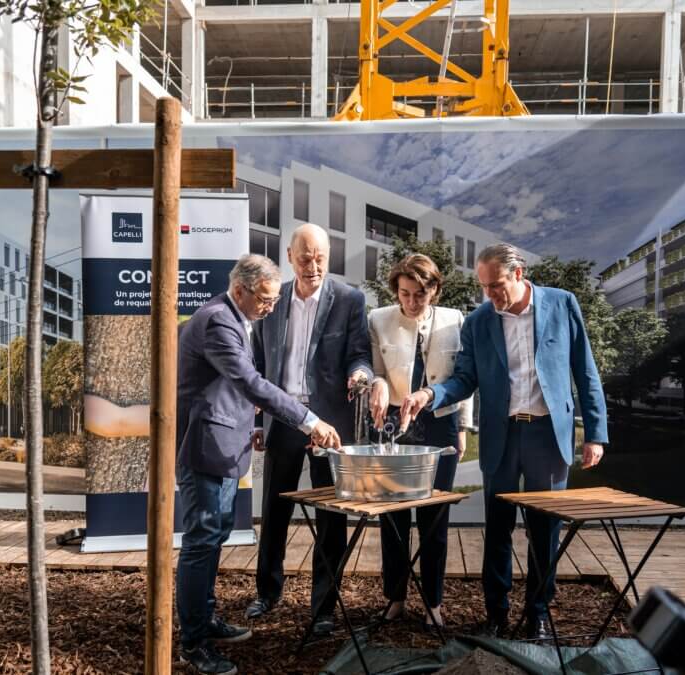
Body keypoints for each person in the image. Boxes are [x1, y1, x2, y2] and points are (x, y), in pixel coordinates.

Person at [401, 243, 607, 638]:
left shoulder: (562, 304)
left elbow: (586, 370)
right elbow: (464, 379)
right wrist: (430, 395)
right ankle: (496, 614)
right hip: (502, 435)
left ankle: (538, 613)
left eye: (496, 285)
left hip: (547, 434)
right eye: (484, 287)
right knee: (497, 527)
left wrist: (595, 433)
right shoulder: (479, 321)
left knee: (544, 529)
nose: (490, 295)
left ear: (519, 273)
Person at [175, 254, 341, 675]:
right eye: (266, 300)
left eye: (273, 299)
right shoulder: (218, 321)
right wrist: (308, 419)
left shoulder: (234, 317)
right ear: (240, 290)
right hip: (205, 448)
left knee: (211, 539)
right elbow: (250, 383)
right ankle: (193, 643)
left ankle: (205, 619)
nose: (271, 307)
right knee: (201, 543)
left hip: (224, 444)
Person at [246, 223, 373, 637]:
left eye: (319, 257)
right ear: (289, 257)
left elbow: (360, 354)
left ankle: (324, 608)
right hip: (283, 419)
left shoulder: (350, 300)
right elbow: (259, 364)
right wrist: (258, 420)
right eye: (304, 257)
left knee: (330, 518)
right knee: (275, 510)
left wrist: (359, 374)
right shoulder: (275, 299)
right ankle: (267, 592)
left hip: (328, 426)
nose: (312, 265)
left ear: (329, 255)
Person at [367, 253, 472, 628]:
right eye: (405, 294)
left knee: (434, 518)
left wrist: (462, 427)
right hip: (394, 422)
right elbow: (376, 372)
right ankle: (395, 598)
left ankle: (434, 603)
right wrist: (376, 385)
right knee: (394, 517)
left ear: (435, 291)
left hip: (440, 422)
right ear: (396, 290)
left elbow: (464, 379)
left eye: (420, 295)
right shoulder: (378, 319)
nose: (412, 302)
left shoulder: (455, 320)